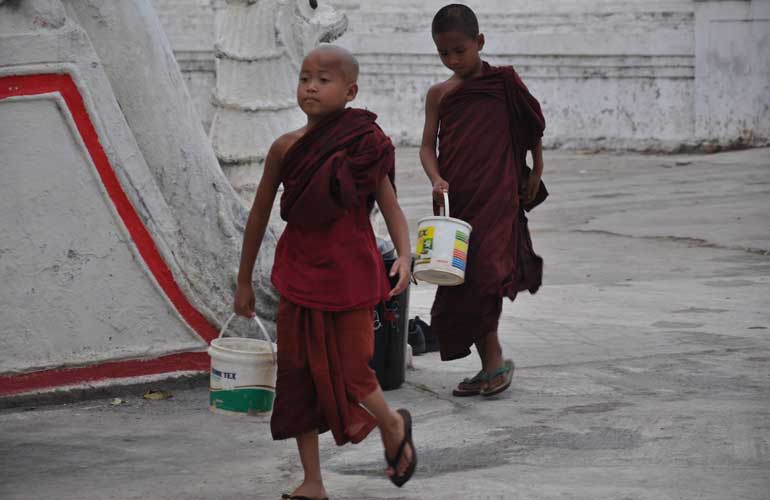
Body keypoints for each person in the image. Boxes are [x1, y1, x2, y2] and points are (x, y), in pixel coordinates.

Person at [233, 45, 416, 499]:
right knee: (298, 378)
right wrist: (244, 279)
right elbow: (258, 214)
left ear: (350, 91)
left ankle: (391, 423)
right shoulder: (285, 147)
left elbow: (390, 205)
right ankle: (312, 482)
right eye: (305, 78)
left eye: (323, 79)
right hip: (299, 273)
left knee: (354, 369)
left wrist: (405, 254)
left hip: (350, 274)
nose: (311, 87)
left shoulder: (362, 144)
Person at [419, 4, 546, 398]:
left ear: (480, 42)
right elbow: (426, 147)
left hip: (498, 197)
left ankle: (493, 363)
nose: (453, 60)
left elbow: (532, 127)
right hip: (457, 202)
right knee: (461, 281)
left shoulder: (503, 83)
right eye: (444, 53)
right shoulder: (440, 94)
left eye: (460, 50)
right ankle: (491, 364)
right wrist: (436, 178)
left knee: (485, 277)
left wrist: (536, 170)